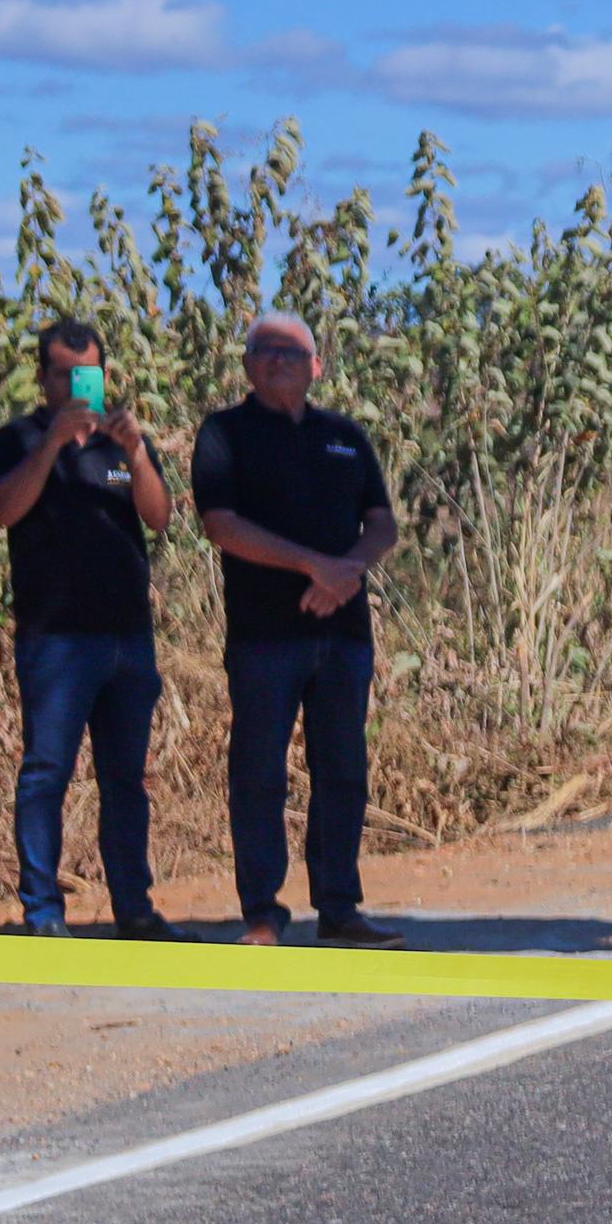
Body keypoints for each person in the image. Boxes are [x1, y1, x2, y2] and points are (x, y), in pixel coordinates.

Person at [191, 312, 403, 947]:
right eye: (265, 350)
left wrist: (349, 571)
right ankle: (262, 914)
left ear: (317, 366)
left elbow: (383, 523)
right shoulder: (224, 434)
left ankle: (339, 909)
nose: (278, 360)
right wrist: (314, 564)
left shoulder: (344, 436)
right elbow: (220, 524)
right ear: (247, 365)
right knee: (260, 773)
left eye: (293, 352)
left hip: (344, 637)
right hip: (264, 637)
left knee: (342, 769)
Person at [0, 316, 179, 937]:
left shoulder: (119, 448)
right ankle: (43, 913)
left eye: (86, 374)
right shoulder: (17, 439)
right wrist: (52, 445)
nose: (75, 387)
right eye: (63, 375)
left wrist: (139, 454)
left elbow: (160, 517)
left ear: (104, 374)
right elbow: (6, 507)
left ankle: (135, 911)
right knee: (47, 773)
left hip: (127, 637)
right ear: (42, 377)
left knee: (126, 779)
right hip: (57, 639)